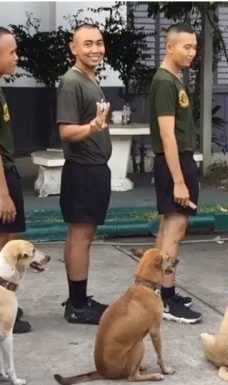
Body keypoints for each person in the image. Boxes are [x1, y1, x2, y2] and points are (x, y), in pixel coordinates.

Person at [56, 23, 112, 324]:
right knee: (81, 236)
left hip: (94, 168)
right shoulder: (71, 82)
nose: (95, 49)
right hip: (83, 170)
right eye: (87, 44)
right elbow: (65, 131)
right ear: (73, 48)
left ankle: (77, 296)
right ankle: (78, 305)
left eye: (99, 43)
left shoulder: (90, 79)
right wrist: (92, 127)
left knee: (82, 235)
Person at [147, 23, 202, 324]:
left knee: (169, 228)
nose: (192, 53)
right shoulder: (165, 82)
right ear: (169, 47)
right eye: (186, 47)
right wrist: (179, 181)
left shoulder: (173, 79)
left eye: (194, 47)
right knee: (175, 230)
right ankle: (167, 299)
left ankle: (156, 290)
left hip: (179, 160)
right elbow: (168, 135)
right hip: (174, 163)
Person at [0, 27, 29, 333]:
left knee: (11, 238)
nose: (16, 57)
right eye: (11, 52)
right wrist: (3, 193)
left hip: (8, 172)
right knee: (4, 245)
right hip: (2, 177)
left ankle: (6, 304)